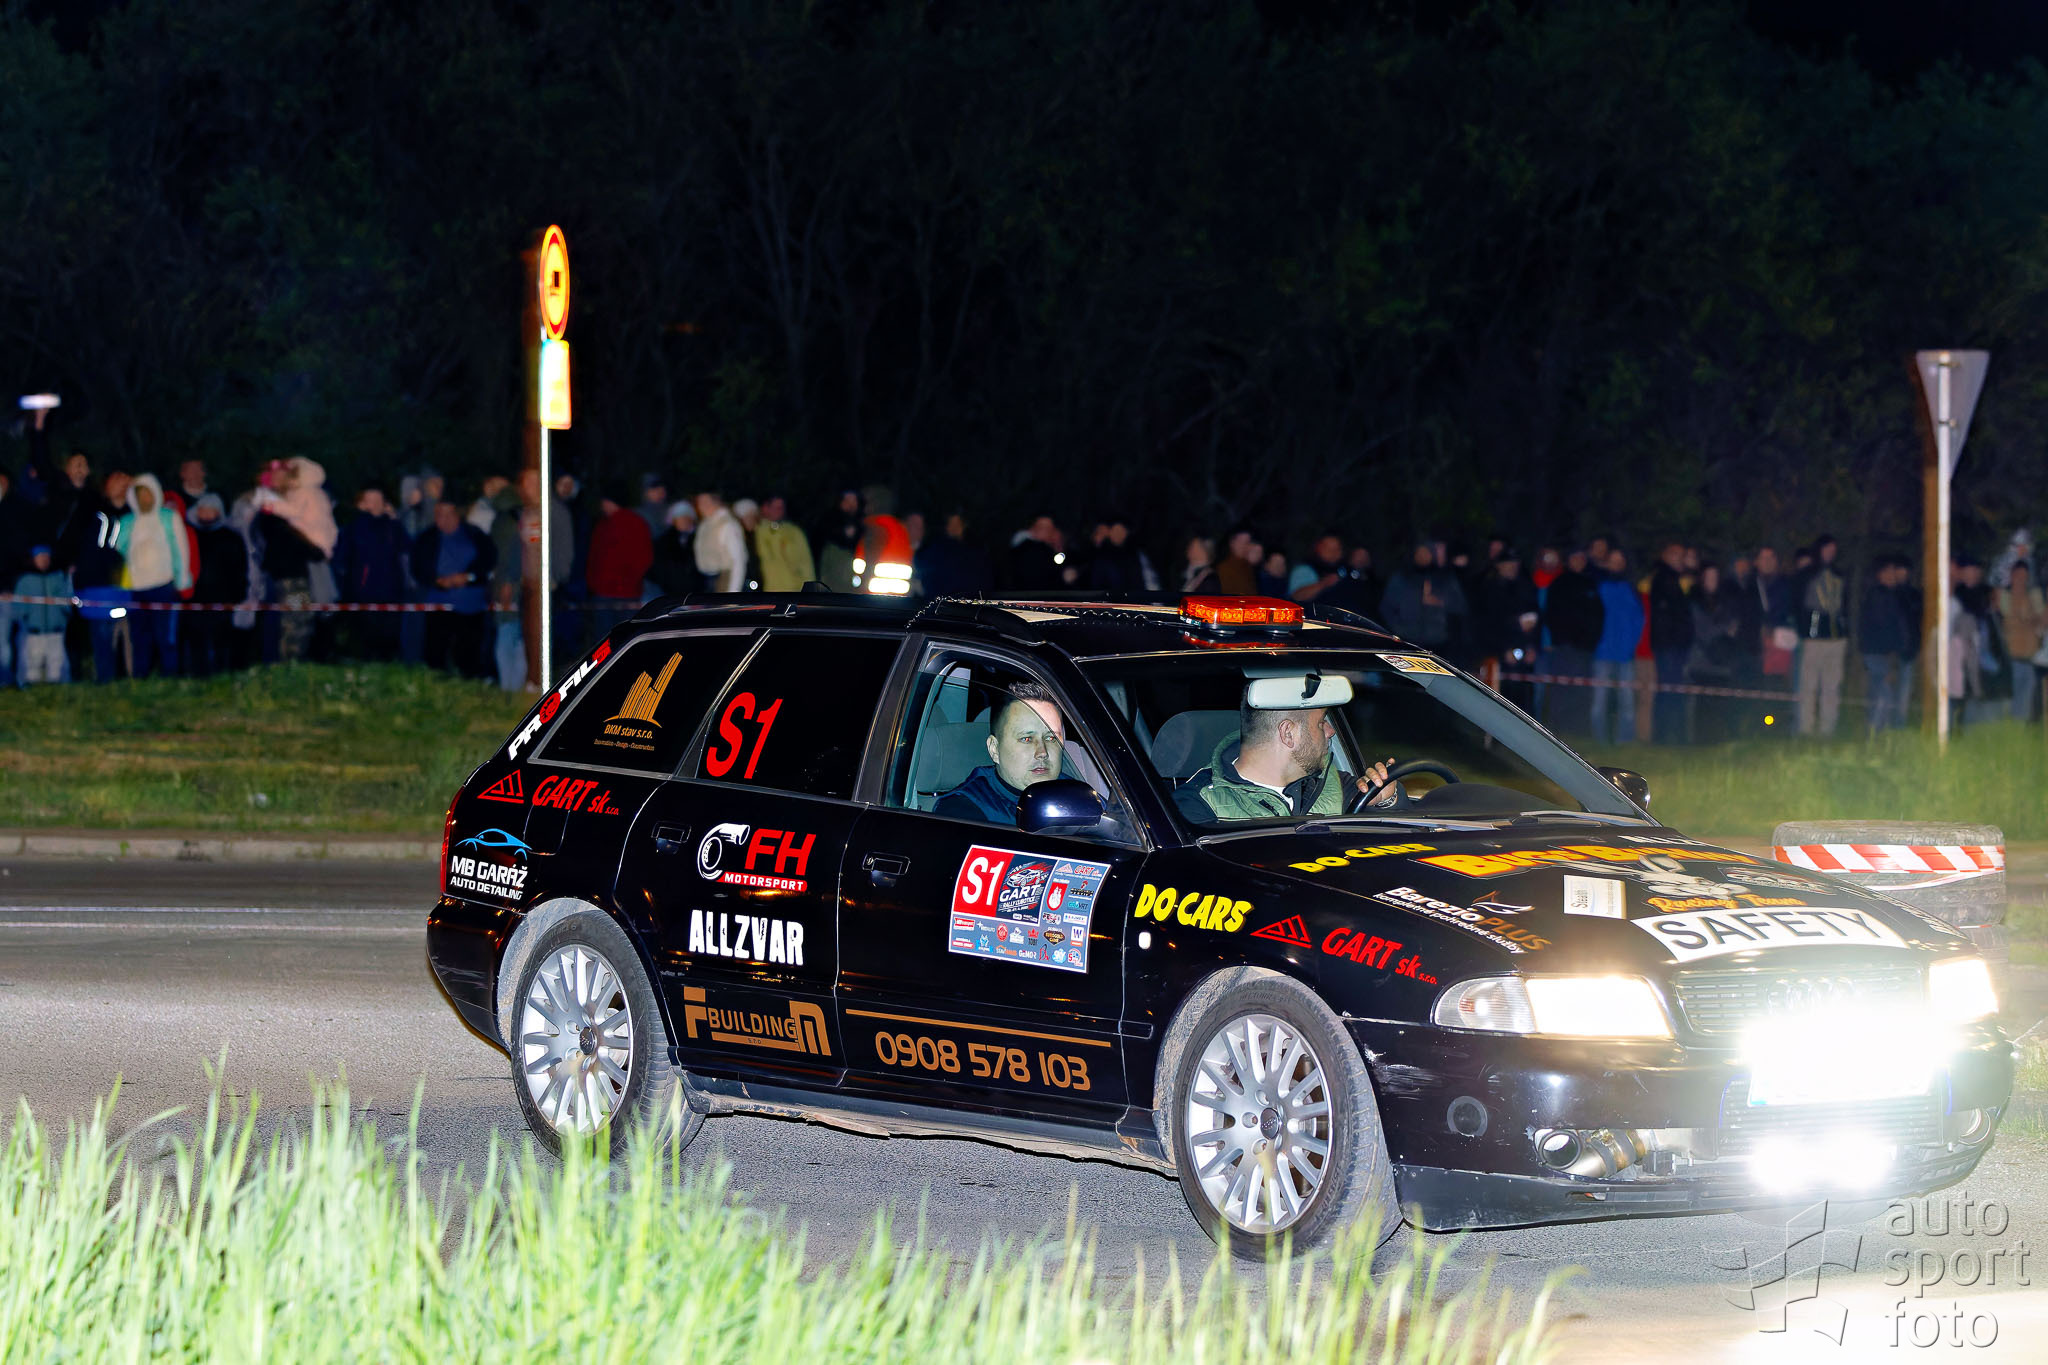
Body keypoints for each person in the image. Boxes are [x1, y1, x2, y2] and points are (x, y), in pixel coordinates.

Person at [1178, 692, 1404, 821]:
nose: (1331, 731)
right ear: (1288, 733)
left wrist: (1385, 797)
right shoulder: (1197, 806)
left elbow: (1390, 839)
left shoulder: (1331, 784)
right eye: (1321, 723)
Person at [935, 684, 1068, 823]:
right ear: (994, 749)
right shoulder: (963, 812)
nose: (1042, 752)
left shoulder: (1077, 796)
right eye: (1026, 739)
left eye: (1051, 738)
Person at [113, 474, 192, 678]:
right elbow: (118, 551)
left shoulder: (169, 517)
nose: (144, 499)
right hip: (136, 588)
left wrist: (182, 580)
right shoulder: (127, 522)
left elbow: (182, 549)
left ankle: (170, 677)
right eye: (139, 495)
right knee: (139, 637)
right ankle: (141, 678)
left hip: (164, 586)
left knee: (166, 636)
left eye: (148, 493)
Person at [411, 497, 495, 677]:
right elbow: (417, 568)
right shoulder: (426, 538)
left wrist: (468, 577)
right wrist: (437, 581)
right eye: (440, 515)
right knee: (436, 656)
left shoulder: (475, 535)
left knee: (469, 657)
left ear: (458, 515)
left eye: (449, 514)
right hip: (438, 604)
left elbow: (488, 561)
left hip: (471, 606)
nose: (445, 519)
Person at [331, 486, 410, 661]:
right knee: (366, 636)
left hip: (391, 590)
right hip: (364, 591)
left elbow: (406, 548)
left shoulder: (393, 526)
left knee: (389, 635)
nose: (374, 505)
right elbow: (341, 558)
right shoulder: (354, 527)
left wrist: (394, 520)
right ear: (361, 503)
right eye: (370, 500)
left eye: (378, 500)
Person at [183, 494, 248, 677]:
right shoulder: (189, 535)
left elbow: (240, 569)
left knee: (223, 641)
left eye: (211, 509)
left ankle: (223, 677)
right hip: (194, 598)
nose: (206, 513)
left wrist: (238, 595)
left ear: (219, 512)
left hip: (223, 598)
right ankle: (198, 678)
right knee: (196, 641)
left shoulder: (230, 537)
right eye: (203, 509)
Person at [1794, 534, 1849, 736]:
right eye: (1827, 549)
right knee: (1809, 685)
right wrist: (1804, 630)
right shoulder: (1806, 574)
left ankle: (1828, 729)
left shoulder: (1839, 574)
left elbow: (1845, 605)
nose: (1830, 553)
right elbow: (1797, 604)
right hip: (1814, 638)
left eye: (1833, 550)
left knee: (1832, 686)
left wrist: (1844, 630)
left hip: (1836, 638)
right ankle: (1806, 728)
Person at [1590, 548, 1644, 746]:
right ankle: (1598, 739)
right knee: (1599, 699)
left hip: (1625, 654)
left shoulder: (1630, 589)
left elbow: (1639, 619)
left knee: (1626, 699)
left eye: (1620, 561)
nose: (1616, 564)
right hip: (1602, 652)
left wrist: (1631, 645)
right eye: (1612, 560)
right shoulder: (1599, 586)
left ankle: (1625, 740)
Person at [1857, 555, 1916, 733]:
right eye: (1890, 571)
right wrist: (1892, 651)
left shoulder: (1889, 595)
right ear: (1880, 574)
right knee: (1883, 693)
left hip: (1880, 652)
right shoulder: (1879, 595)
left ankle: (1878, 730)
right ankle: (1874, 731)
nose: (1893, 575)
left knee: (1880, 691)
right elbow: (1884, 626)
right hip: (1878, 652)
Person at [586, 485, 655, 631]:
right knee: (627, 636)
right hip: (628, 592)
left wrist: (594, 583)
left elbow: (594, 558)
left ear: (608, 501)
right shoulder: (637, 522)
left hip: (606, 592)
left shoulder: (603, 525)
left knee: (605, 637)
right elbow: (646, 557)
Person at [1379, 543, 1467, 655]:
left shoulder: (1444, 579)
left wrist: (1440, 602)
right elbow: (1386, 607)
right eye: (1419, 553)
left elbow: (1460, 606)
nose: (1422, 556)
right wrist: (1398, 629)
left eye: (1426, 553)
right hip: (1406, 641)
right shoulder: (1402, 578)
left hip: (1438, 642)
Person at [1647, 542, 1694, 743]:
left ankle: (1671, 736)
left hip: (1674, 646)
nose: (1680, 558)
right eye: (1675, 554)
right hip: (1668, 645)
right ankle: (1664, 736)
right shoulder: (1663, 579)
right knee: (1668, 691)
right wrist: (1676, 639)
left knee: (1673, 691)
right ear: (1665, 555)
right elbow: (1670, 616)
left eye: (1682, 554)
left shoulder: (1675, 579)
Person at [1995, 558, 2045, 722]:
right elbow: (2008, 621)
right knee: (2009, 704)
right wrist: (2029, 618)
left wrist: (2032, 617)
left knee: (2025, 706)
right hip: (2011, 659)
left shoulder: (2033, 596)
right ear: (2012, 575)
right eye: (2018, 576)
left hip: (2030, 659)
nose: (2021, 580)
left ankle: (2019, 730)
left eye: (2025, 577)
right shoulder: (2004, 595)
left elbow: (2042, 622)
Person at [12, 545, 69, 684]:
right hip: (34, 632)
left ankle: (55, 689)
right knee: (32, 663)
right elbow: (18, 604)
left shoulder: (58, 578)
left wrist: (63, 614)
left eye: (46, 557)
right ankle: (32, 689)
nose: (44, 560)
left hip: (55, 631)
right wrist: (25, 617)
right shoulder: (25, 580)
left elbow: (67, 599)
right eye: (40, 557)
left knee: (56, 663)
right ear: (33, 559)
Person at [752, 495, 817, 592]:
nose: (779, 511)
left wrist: (810, 590)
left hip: (793, 590)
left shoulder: (793, 531)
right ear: (765, 508)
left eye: (781, 507)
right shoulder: (756, 531)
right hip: (765, 591)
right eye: (775, 507)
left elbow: (806, 563)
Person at [692, 489, 749, 593]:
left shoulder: (728, 524)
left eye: (705, 502)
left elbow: (738, 561)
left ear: (716, 502)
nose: (701, 506)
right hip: (707, 581)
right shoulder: (704, 525)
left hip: (724, 580)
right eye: (699, 503)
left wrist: (733, 592)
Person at [649, 501, 702, 597]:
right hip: (671, 593)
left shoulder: (700, 537)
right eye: (679, 518)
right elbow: (657, 567)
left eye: (686, 517)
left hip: (698, 592)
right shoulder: (663, 541)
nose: (683, 521)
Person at [1007, 513, 1064, 590]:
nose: (1048, 532)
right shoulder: (1027, 550)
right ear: (1032, 529)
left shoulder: (1054, 549)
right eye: (1042, 528)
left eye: (1050, 528)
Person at [1215, 529, 1259, 595]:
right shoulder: (1225, 568)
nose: (1245, 546)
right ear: (1231, 543)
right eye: (1241, 542)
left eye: (1248, 542)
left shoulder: (1247, 566)